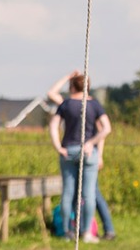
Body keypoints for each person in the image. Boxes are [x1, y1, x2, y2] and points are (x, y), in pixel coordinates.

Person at [48, 70, 112, 244]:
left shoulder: (66, 104)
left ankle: (67, 231)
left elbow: (53, 126)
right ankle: (86, 233)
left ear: (71, 86)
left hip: (69, 150)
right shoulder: (94, 105)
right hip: (89, 152)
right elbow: (106, 128)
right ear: (88, 87)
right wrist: (92, 143)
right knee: (89, 194)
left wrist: (58, 147)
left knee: (68, 192)